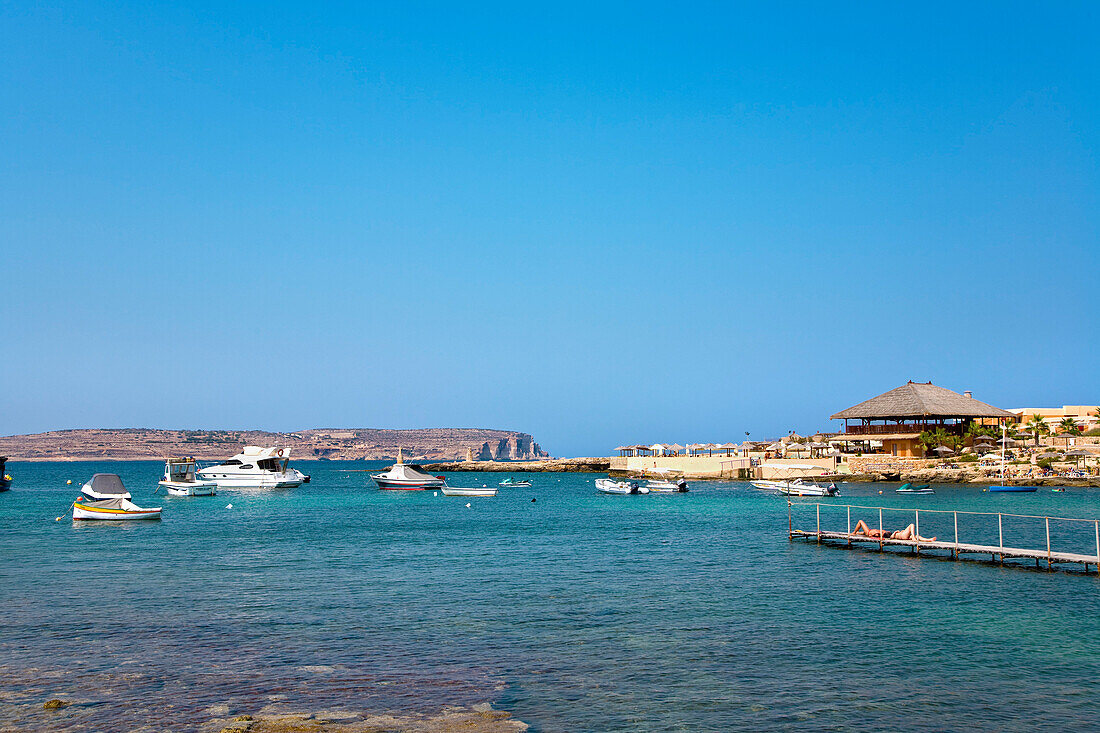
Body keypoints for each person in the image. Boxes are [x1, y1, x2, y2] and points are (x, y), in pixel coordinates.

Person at [851, 519, 935, 542]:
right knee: (914, 530)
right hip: (869, 533)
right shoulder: (884, 533)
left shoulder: (884, 534)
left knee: (861, 521)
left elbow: (875, 535)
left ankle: (928, 540)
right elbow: (875, 535)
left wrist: (896, 532)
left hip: (869, 532)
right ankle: (855, 532)